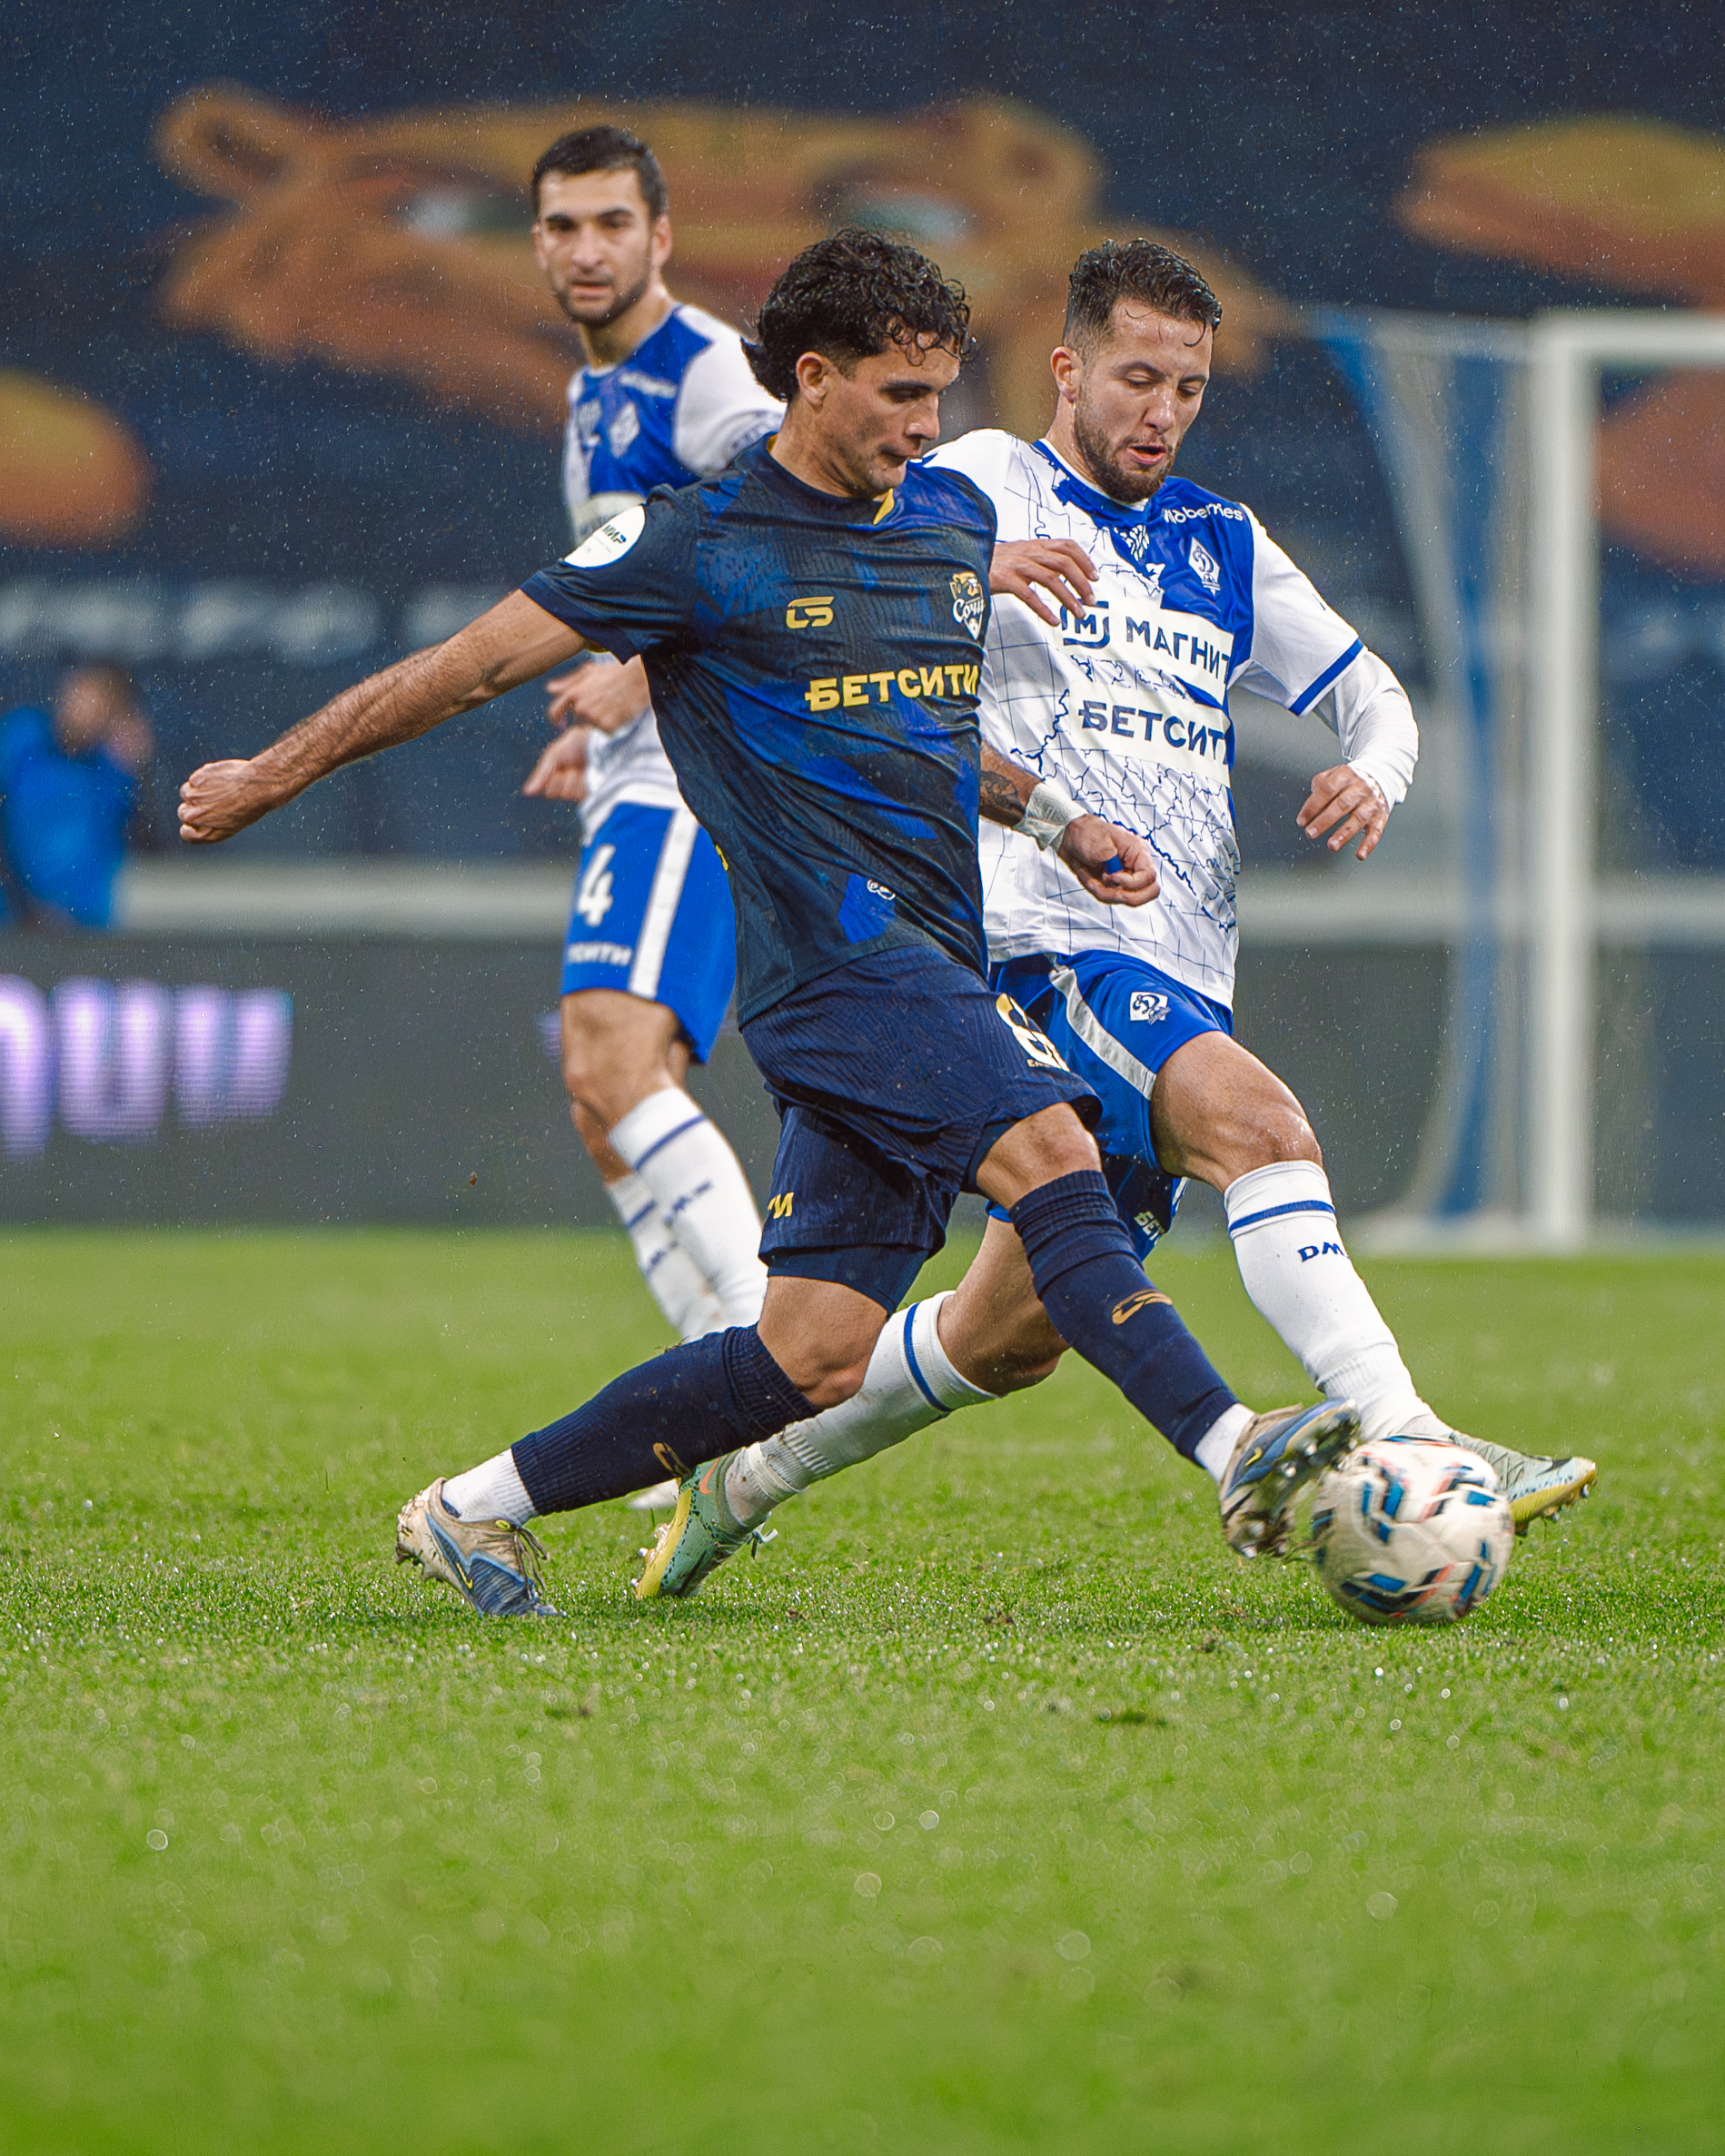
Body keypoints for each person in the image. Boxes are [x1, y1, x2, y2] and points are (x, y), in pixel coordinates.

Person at [180, 231, 1362, 1619]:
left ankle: (470, 1506)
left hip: (928, 957)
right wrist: (270, 775)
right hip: (837, 969)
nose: (925, 426)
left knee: (807, 1354)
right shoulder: (695, 543)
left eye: (937, 396)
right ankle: (1234, 1447)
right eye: (899, 395)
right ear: (810, 379)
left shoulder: (942, 519)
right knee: (1055, 1154)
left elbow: (912, 724)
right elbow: (466, 669)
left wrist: (1053, 820)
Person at [639, 238, 1598, 1601]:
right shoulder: (982, 478)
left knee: (1005, 1335)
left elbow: (1372, 695)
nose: (1161, 412)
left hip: (1185, 957)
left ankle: (736, 1482)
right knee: (1261, 1127)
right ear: (1068, 369)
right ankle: (1413, 1436)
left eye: (1187, 389)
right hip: (1036, 939)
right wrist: (959, 560)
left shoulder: (1222, 540)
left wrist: (1372, 772)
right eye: (1137, 378)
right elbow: (821, 549)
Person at [520, 125, 783, 1341]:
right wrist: (602, 698)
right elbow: (646, 569)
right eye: (564, 226)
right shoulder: (590, 390)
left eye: (612, 224)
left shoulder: (706, 370)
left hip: (700, 755)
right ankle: (713, 1369)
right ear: (537, 244)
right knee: (602, 1095)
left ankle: (763, 1357)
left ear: (660, 237)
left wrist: (644, 672)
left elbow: (792, 522)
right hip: (638, 755)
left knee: (613, 1060)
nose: (588, 250)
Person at [0, 664, 154, 928]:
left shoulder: (109, 769)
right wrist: (25, 904)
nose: (82, 711)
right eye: (77, 697)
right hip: (16, 918)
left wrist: (139, 763)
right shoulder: (23, 738)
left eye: (96, 705)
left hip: (83, 922)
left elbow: (146, 831)